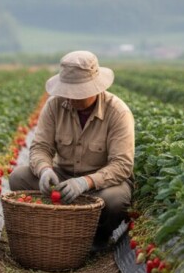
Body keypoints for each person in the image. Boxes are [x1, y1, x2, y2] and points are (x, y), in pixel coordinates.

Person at [9, 50, 134, 251]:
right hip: (64, 175)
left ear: (96, 88)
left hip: (102, 183)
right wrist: (44, 170)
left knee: (115, 200)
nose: (71, 97)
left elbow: (122, 165)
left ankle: (98, 237)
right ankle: (50, 228)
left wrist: (86, 182)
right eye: (67, 91)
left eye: (78, 92)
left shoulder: (118, 112)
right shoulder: (54, 106)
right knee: (18, 177)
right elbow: (41, 147)